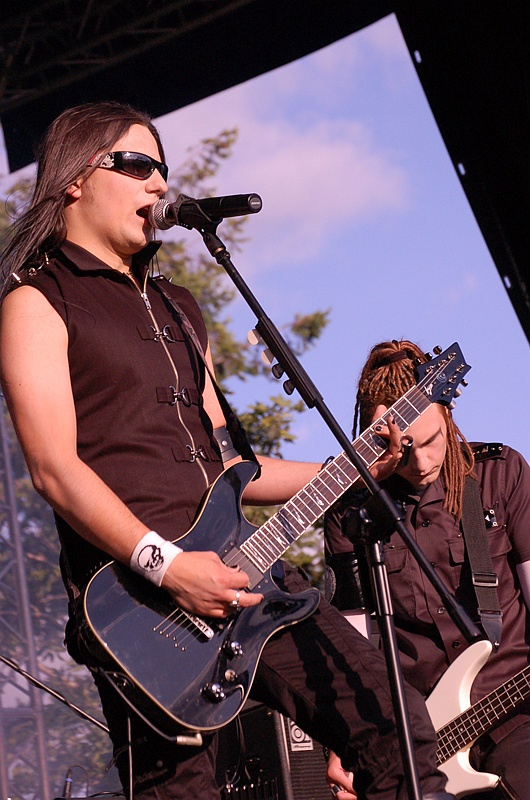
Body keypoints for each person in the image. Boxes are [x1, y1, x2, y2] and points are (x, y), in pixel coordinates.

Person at [0, 103, 451, 800]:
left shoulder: (182, 308)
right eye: (138, 165)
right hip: (138, 610)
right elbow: (54, 471)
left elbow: (233, 469)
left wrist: (359, 467)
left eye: (164, 170)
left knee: (396, 727)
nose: (158, 185)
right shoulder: (37, 301)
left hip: (247, 576)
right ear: (75, 179)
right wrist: (171, 567)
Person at [324, 339, 530, 800]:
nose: (420, 462)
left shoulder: (500, 474)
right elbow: (354, 644)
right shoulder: (349, 515)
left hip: (517, 711)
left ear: (448, 413)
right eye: (406, 446)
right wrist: (347, 744)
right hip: (418, 743)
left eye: (433, 440)